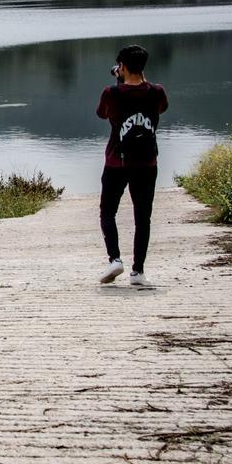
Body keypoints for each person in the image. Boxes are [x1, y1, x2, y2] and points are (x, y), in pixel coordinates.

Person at [96, 45, 168, 286]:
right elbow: (161, 108)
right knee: (143, 218)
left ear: (122, 67)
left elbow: (102, 113)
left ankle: (115, 259)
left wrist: (119, 83)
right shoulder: (157, 92)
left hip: (116, 162)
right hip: (147, 163)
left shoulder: (111, 93)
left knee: (108, 212)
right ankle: (138, 272)